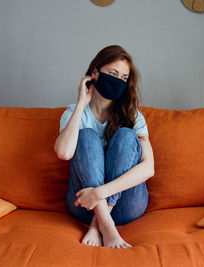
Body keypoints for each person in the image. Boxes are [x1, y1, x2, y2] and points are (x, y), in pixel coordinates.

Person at [54, 45, 154, 249]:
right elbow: (64, 153)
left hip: (126, 205)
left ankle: (98, 225)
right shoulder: (74, 112)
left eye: (124, 78)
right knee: (87, 136)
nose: (118, 81)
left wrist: (100, 193)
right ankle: (106, 225)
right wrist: (81, 103)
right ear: (95, 73)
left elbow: (148, 168)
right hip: (83, 205)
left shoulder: (132, 114)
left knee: (126, 135)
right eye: (113, 74)